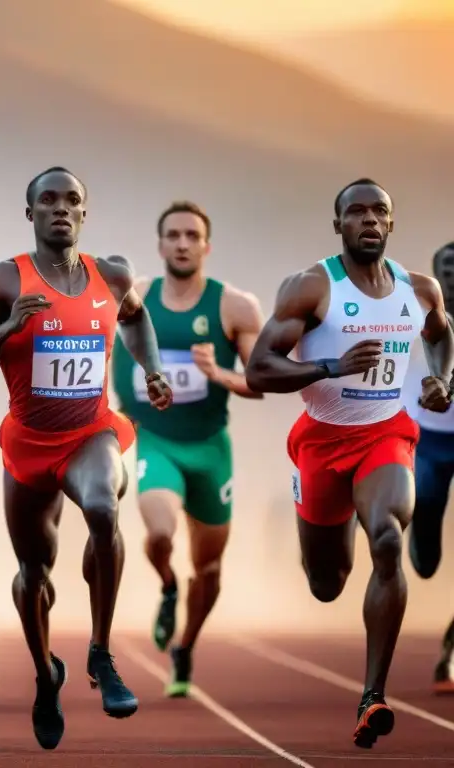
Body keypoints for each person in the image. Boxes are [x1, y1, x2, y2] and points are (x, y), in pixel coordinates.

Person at [0, 167, 173, 750]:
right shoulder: (2, 279)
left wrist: (151, 369)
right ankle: (46, 676)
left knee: (103, 506)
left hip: (90, 432)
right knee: (33, 574)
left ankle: (101, 652)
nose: (61, 209)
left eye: (72, 200)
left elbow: (137, 316)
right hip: (29, 445)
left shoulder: (112, 274)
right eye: (49, 200)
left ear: (84, 214)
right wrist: (9, 328)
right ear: (31, 214)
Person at [244, 179, 454, 748]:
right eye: (355, 212)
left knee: (388, 539)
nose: (368, 220)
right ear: (337, 225)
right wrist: (329, 367)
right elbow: (259, 370)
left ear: (391, 224)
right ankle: (321, 529)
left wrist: (442, 381)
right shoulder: (312, 287)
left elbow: (440, 333)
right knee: (327, 583)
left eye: (378, 212)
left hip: (387, 435)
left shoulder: (419, 289)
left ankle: (372, 697)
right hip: (321, 442)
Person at [111, 200, 264, 697]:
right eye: (173, 235)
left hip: (210, 450)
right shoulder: (133, 299)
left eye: (191, 236)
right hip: (157, 442)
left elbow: (261, 381)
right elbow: (98, 350)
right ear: (159, 245)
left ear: (206, 246)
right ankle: (168, 586)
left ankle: (186, 646)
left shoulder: (234, 306)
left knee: (211, 568)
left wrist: (217, 373)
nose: (182, 243)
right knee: (160, 532)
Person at [402, 240, 454, 695]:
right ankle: (421, 529)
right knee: (426, 562)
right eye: (446, 269)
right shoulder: (413, 314)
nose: (453, 276)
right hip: (430, 442)